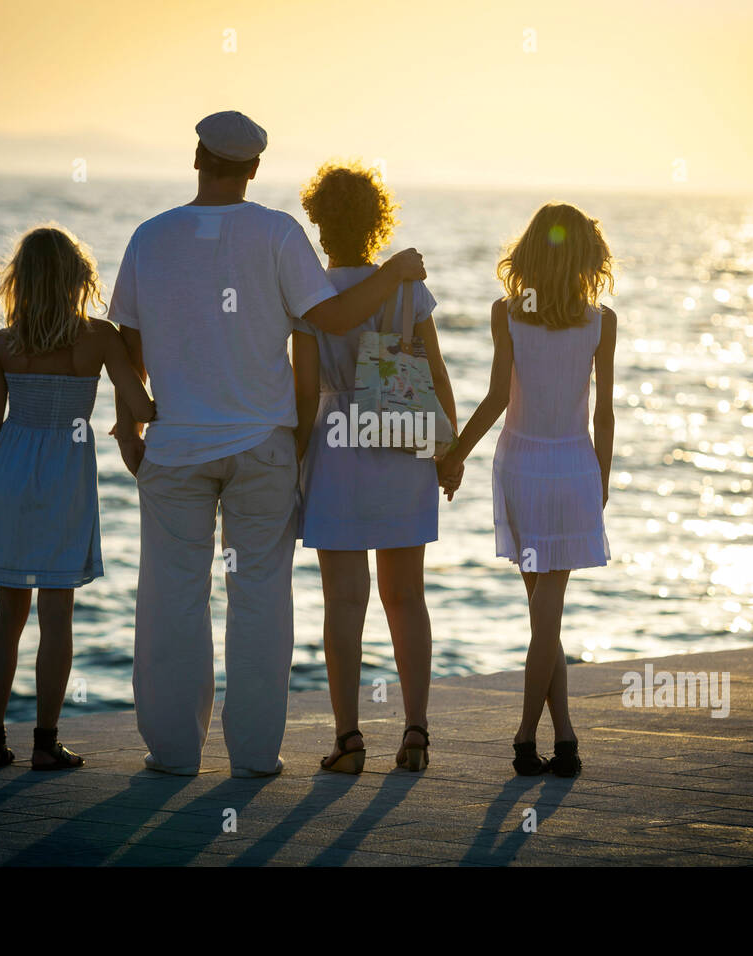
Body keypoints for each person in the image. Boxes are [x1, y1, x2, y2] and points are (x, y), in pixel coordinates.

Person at [109, 111, 427, 777]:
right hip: (263, 445)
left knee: (172, 597)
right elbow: (333, 318)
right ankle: (254, 757)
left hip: (176, 448)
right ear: (254, 169)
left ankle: (173, 754)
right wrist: (395, 272)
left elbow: (131, 354)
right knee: (259, 599)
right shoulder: (279, 234)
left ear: (196, 157)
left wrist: (128, 424)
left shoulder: (148, 238)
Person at [0, 224, 157, 771]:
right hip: (67, 474)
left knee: (7, 614)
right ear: (77, 278)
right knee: (58, 614)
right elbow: (141, 409)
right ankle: (45, 742)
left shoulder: (4, 343)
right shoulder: (97, 338)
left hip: (10, 474)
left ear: (20, 281)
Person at [437, 202, 617, 778]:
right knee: (547, 618)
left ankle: (548, 740)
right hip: (572, 470)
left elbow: (495, 399)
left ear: (531, 251)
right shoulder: (600, 321)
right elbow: (605, 414)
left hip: (519, 466)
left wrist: (454, 457)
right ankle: (544, 738)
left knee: (544, 618)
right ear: (588, 257)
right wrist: (602, 481)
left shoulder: (508, 313)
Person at [292, 161, 459, 774]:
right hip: (403, 437)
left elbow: (305, 392)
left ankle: (349, 740)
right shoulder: (407, 288)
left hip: (337, 446)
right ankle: (415, 731)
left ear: (316, 220)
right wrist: (450, 451)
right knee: (407, 597)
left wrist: (292, 459)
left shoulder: (309, 293)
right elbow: (436, 374)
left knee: (343, 602)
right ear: (378, 220)